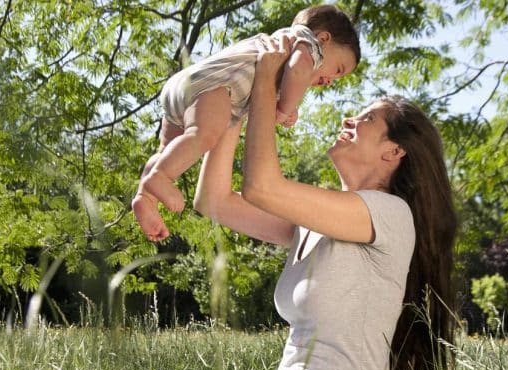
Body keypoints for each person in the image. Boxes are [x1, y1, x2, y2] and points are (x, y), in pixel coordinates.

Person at [66, 35, 457, 370]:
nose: (349, 118)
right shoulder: (319, 221)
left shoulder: (389, 215)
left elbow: (261, 187)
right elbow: (213, 201)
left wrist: (269, 77)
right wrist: (241, 100)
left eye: (366, 119)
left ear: (393, 151)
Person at [132, 4, 361, 242]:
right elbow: (298, 70)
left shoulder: (276, 44)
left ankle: (145, 197)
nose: (331, 81)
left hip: (185, 86)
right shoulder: (307, 44)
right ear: (323, 39)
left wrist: (279, 102)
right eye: (338, 69)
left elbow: (277, 81)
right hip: (214, 88)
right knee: (204, 135)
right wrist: (285, 108)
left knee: (166, 149)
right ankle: (161, 178)